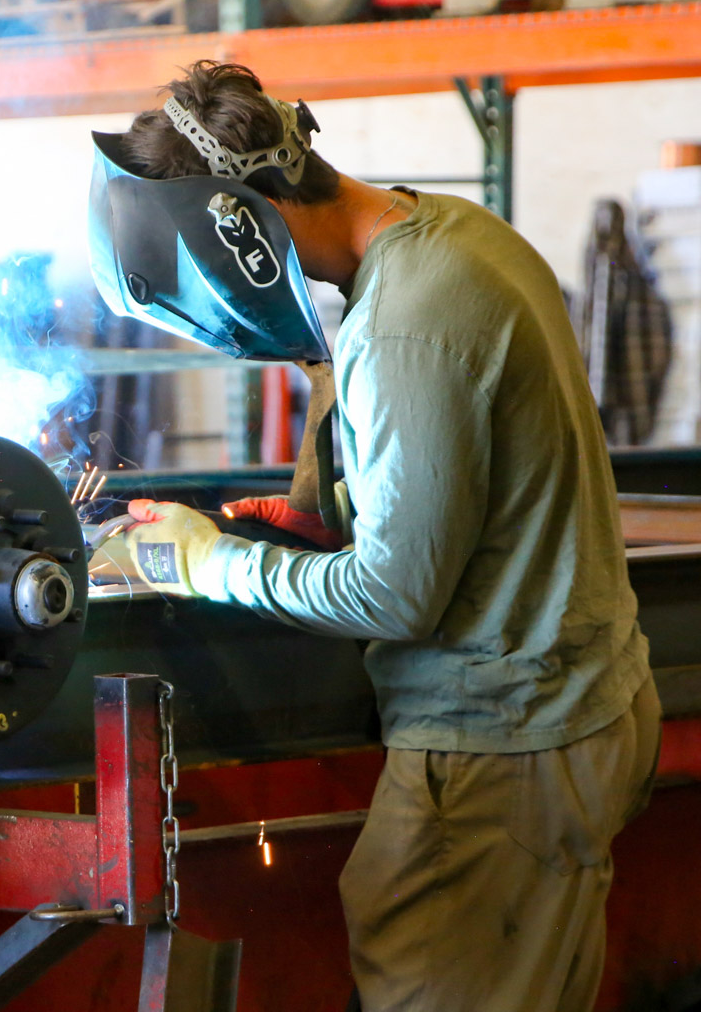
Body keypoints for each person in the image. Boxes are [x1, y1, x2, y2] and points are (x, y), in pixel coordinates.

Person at [89, 61, 661, 1012]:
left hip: (500, 751)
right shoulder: (447, 235)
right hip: (575, 711)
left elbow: (394, 595)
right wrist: (330, 520)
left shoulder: (403, 326)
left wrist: (203, 560)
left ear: (241, 228)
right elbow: (476, 478)